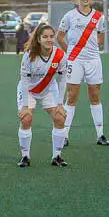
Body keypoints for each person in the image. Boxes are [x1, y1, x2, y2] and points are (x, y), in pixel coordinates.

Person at [56, 0, 109, 146]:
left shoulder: (98, 17)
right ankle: (64, 135)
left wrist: (94, 47)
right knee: (72, 96)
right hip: (75, 60)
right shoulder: (69, 16)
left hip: (93, 60)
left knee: (95, 95)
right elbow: (59, 37)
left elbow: (101, 36)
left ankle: (100, 135)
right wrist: (70, 53)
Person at [16, 23, 69, 167]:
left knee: (60, 118)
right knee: (26, 119)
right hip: (29, 91)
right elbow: (25, 81)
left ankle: (57, 156)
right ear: (38, 39)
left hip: (48, 90)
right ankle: (25, 157)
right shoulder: (29, 56)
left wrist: (60, 104)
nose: (49, 39)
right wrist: (25, 106)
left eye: (51, 36)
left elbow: (63, 79)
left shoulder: (60, 55)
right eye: (45, 37)